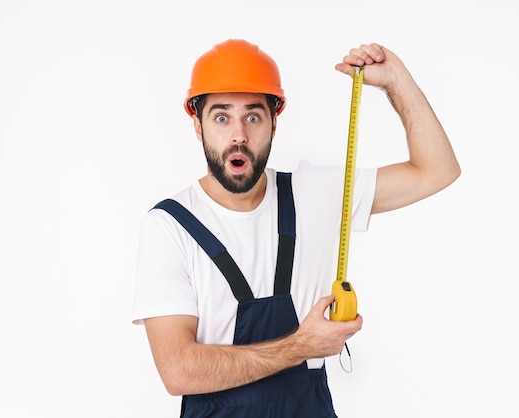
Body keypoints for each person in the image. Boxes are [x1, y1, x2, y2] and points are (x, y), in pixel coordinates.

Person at [132, 39, 460, 417]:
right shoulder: (168, 228)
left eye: (253, 116)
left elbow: (437, 171)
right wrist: (302, 345)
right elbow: (179, 371)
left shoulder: (314, 193)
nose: (238, 135)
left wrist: (396, 81)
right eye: (221, 117)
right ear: (197, 124)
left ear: (274, 121)